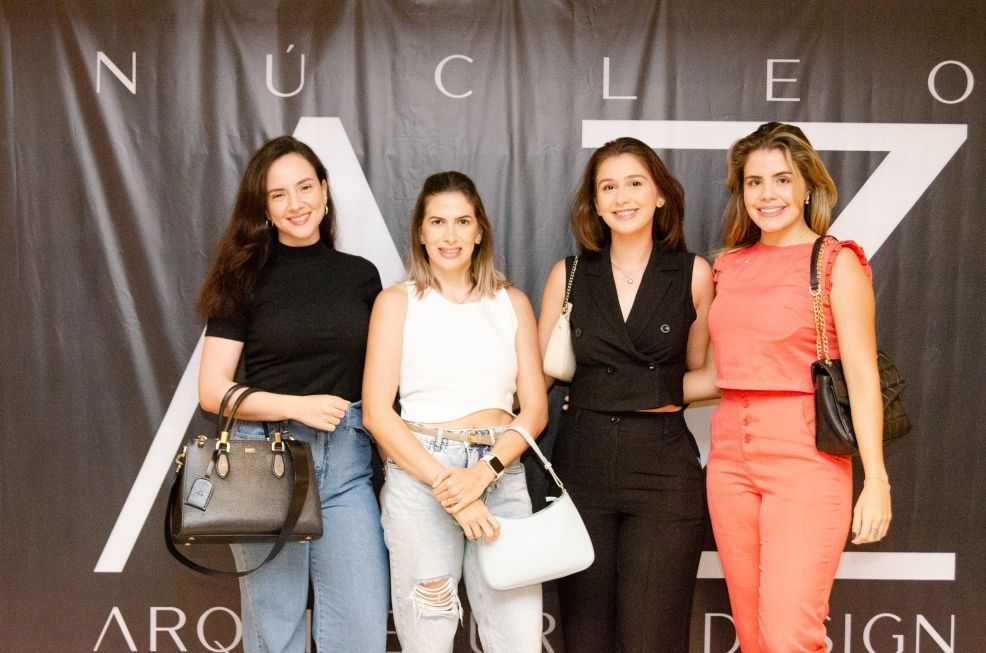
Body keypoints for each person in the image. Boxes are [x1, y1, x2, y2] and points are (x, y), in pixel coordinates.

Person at [196, 136, 389, 652]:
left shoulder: (361, 276)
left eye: (305, 187)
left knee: (359, 631)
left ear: (325, 192)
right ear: (264, 208)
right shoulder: (243, 277)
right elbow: (213, 391)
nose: (296, 203)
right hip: (267, 464)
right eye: (279, 194)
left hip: (348, 465)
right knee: (273, 633)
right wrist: (294, 406)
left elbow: (383, 386)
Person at [703, 122, 892, 652]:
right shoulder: (729, 266)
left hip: (807, 459)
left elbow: (861, 375)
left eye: (782, 180)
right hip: (729, 461)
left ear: (808, 186)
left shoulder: (836, 260)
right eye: (754, 182)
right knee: (754, 633)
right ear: (741, 192)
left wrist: (876, 479)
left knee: (790, 635)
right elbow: (715, 373)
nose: (768, 194)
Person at [537, 137, 714, 653]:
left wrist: (609, 390)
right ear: (594, 203)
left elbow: (706, 378)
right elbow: (538, 377)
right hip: (582, 472)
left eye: (635, 183)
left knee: (650, 641)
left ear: (660, 194)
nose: (622, 197)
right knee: (585, 639)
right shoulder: (568, 275)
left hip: (663, 476)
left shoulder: (694, 274)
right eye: (607, 187)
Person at [362, 171, 547, 653]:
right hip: (422, 477)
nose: (450, 235)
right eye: (437, 222)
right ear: (420, 232)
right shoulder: (396, 303)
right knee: (429, 638)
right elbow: (378, 414)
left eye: (462, 221)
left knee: (519, 640)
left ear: (479, 230)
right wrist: (454, 491)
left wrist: (483, 474)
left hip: (502, 475)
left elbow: (534, 410)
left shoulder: (513, 303)